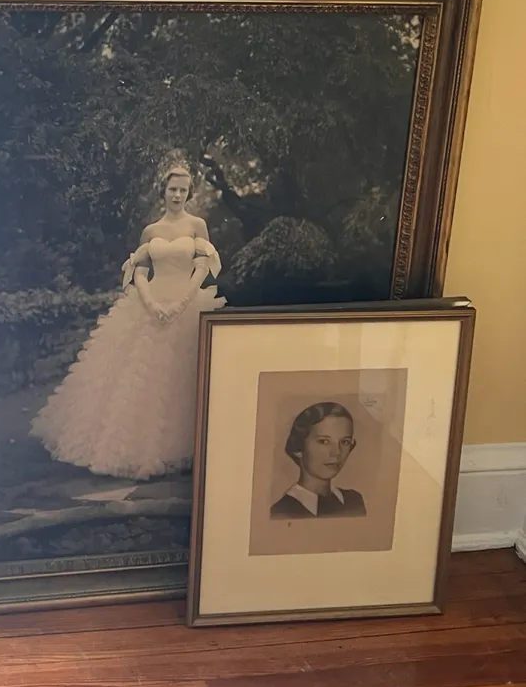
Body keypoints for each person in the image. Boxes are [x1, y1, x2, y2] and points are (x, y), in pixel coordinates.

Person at [29, 164, 225, 480]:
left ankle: (183, 446)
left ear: (189, 194)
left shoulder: (196, 225)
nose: (177, 195)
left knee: (180, 375)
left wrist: (181, 303)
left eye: (183, 190)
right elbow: (140, 272)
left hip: (187, 302)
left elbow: (202, 268)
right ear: (163, 191)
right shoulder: (151, 231)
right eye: (172, 189)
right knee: (138, 375)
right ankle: (137, 449)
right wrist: (151, 303)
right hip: (151, 302)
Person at [270, 401, 366, 518]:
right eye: (324, 441)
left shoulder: (354, 501)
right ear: (298, 447)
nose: (337, 452)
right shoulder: (282, 511)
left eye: (345, 442)